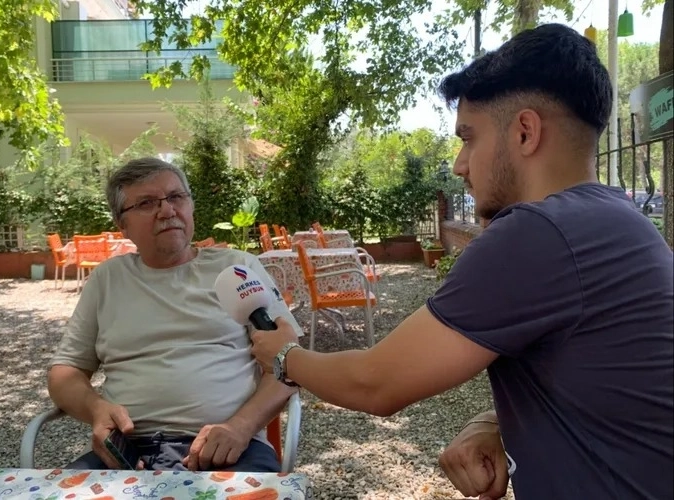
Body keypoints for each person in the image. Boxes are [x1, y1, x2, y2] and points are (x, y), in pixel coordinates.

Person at [250, 23, 673, 500]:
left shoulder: (538, 233)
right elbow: (614, 391)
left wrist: (285, 356)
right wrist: (496, 421)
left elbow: (375, 384)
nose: (459, 163)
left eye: (469, 138)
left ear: (526, 132)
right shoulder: (620, 220)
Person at [48, 157, 302, 472]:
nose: (167, 211)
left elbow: (290, 363)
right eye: (146, 203)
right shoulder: (107, 279)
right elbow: (65, 373)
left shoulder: (238, 270)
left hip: (229, 448)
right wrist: (96, 409)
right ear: (122, 225)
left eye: (176, 197)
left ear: (191, 205)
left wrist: (241, 426)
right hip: (128, 453)